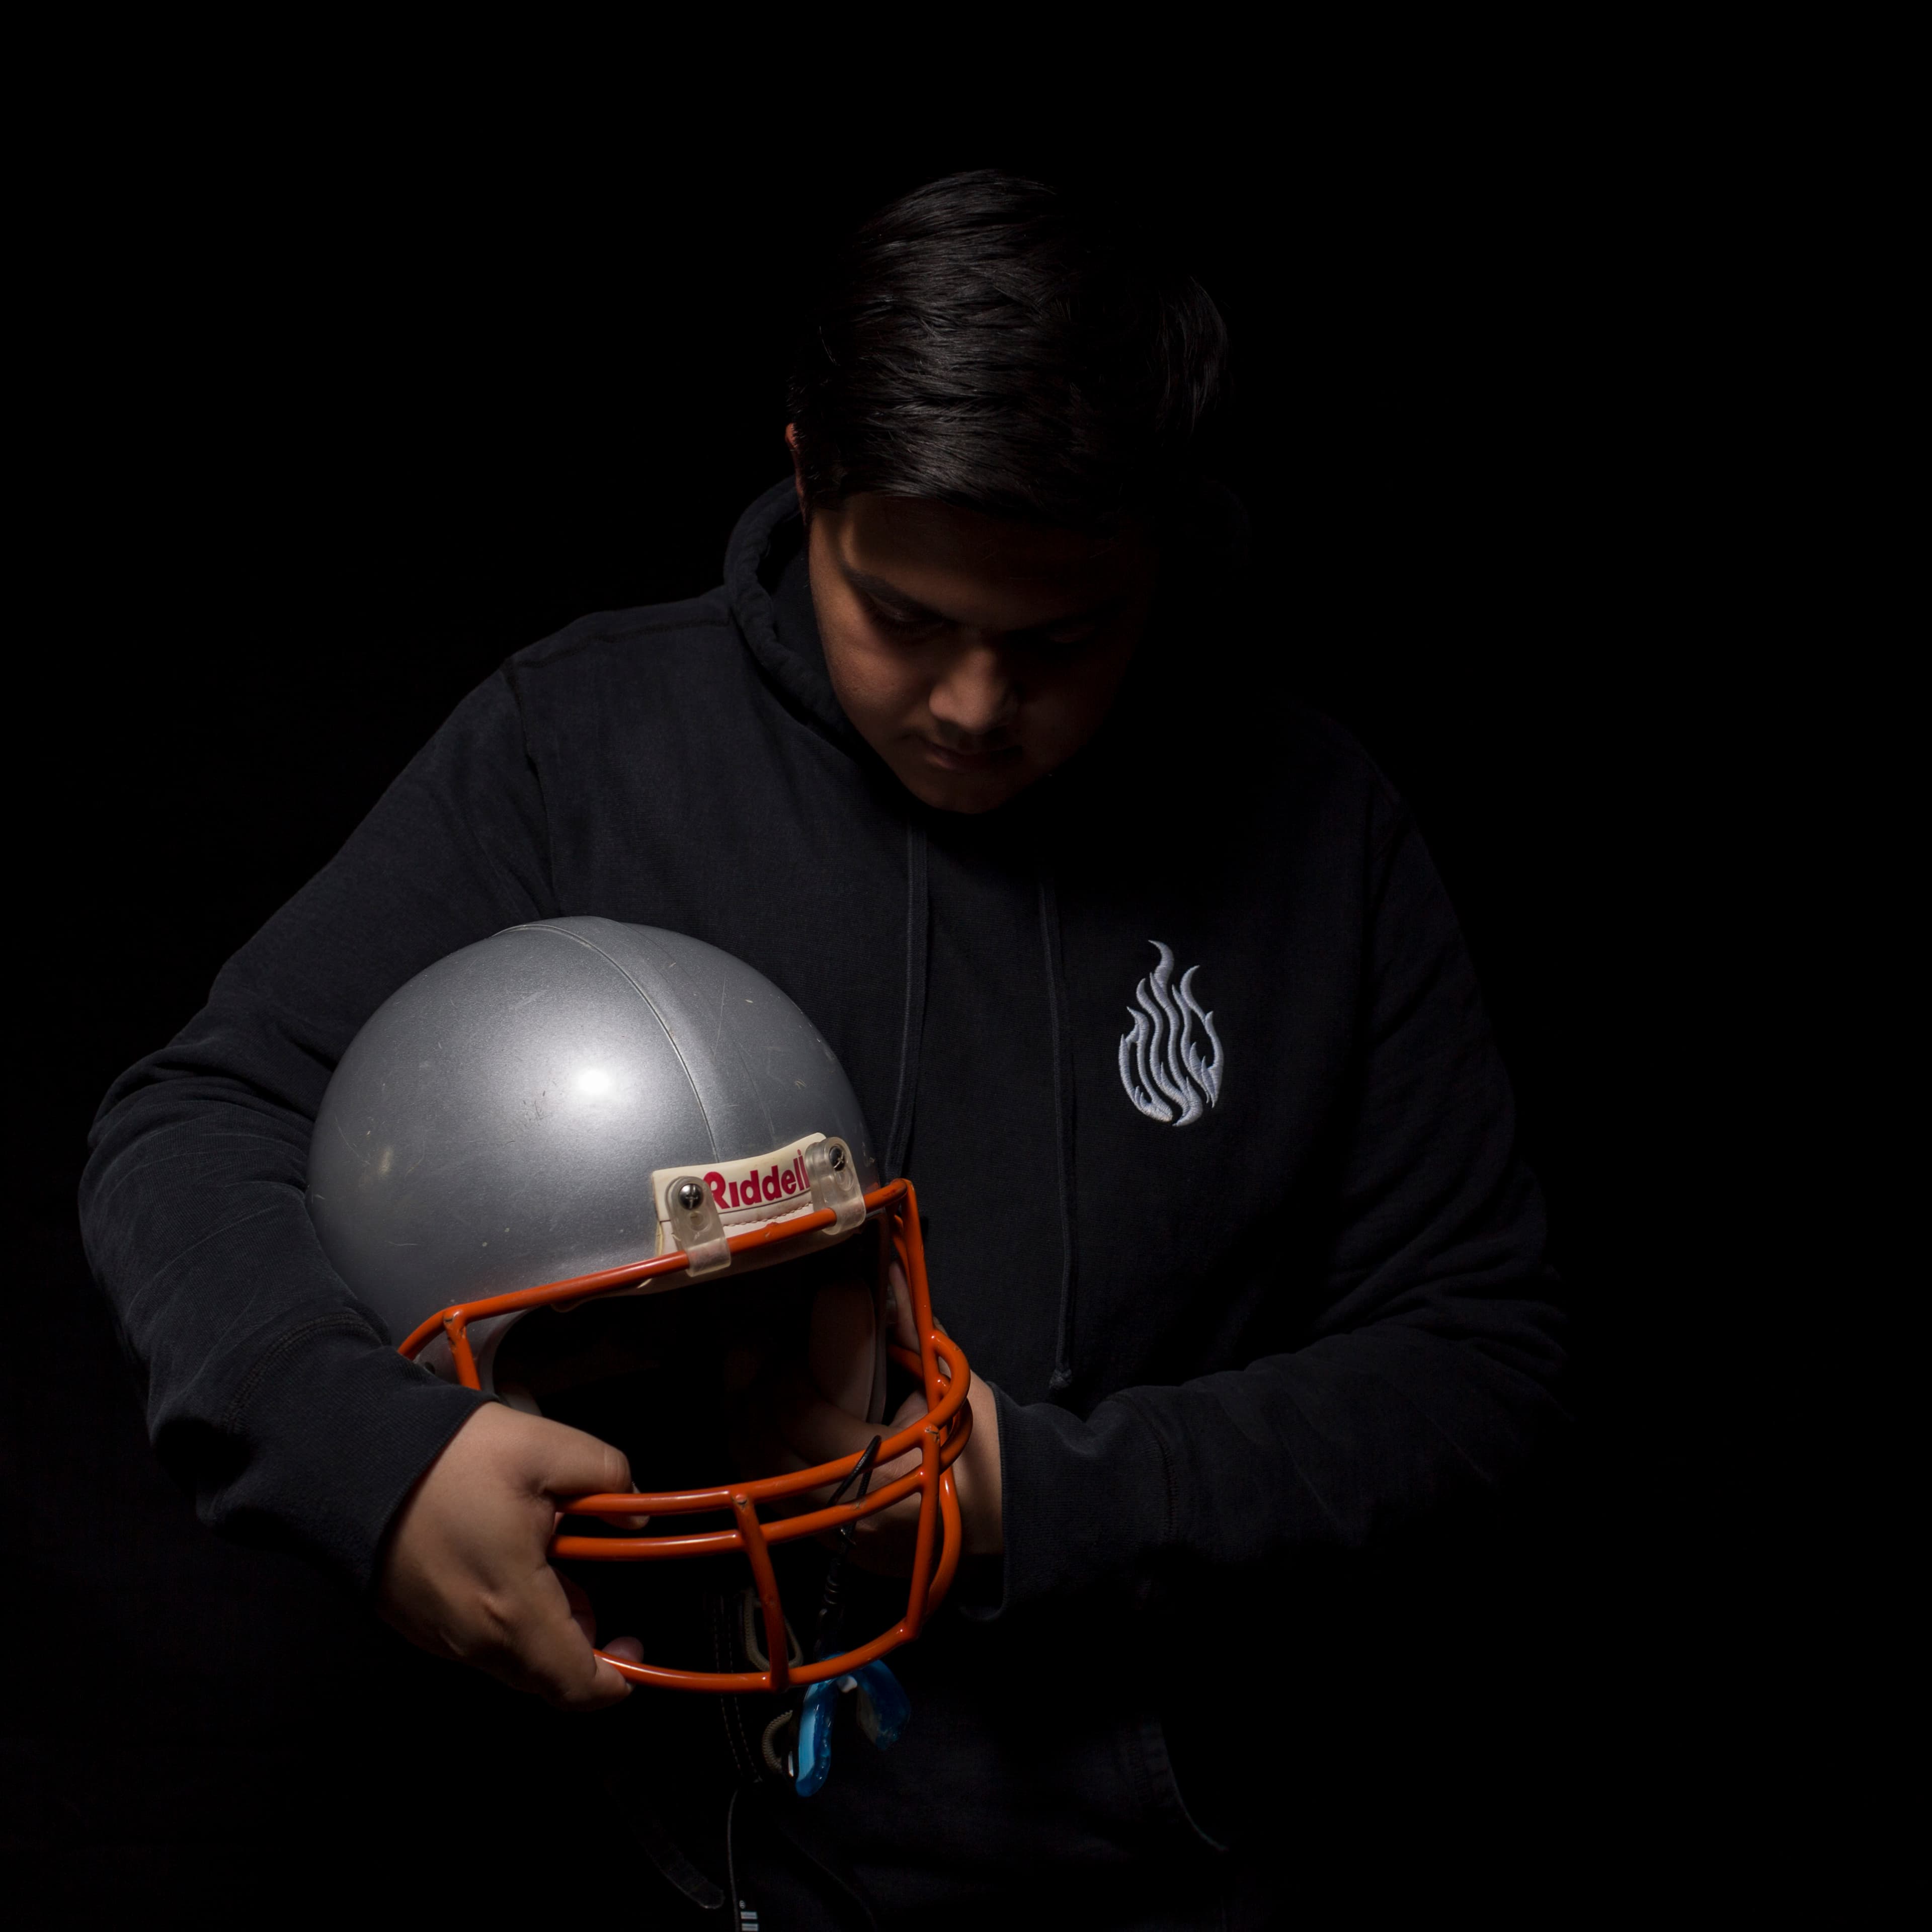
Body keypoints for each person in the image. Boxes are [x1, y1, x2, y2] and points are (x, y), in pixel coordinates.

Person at [81, 171, 1565, 1927]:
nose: (973, 708)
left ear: (1163, 545)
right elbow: (196, 1119)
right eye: (907, 618)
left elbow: (1480, 1362)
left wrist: (1037, 1498)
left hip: (1163, 1854)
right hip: (635, 1827)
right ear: (808, 479)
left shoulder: (1317, 824)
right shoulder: (586, 746)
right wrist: (363, 1461)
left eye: (1060, 640)